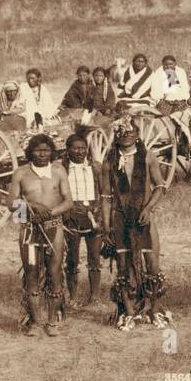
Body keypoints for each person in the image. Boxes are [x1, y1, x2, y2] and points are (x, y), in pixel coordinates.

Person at [99, 116, 170, 330]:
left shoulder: (147, 156)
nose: (127, 135)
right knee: (123, 266)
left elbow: (160, 186)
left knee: (152, 263)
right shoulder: (109, 161)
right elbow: (105, 197)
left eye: (131, 131)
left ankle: (155, 310)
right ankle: (129, 313)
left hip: (143, 216)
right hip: (120, 218)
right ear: (116, 135)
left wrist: (148, 209)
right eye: (122, 131)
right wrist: (106, 226)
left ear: (137, 135)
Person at [9, 133, 72, 337]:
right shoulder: (20, 173)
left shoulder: (59, 171)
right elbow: (12, 204)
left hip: (54, 226)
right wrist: (31, 209)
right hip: (29, 229)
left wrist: (49, 213)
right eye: (38, 150)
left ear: (52, 151)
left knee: (55, 273)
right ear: (30, 151)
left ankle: (52, 321)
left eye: (46, 150)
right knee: (32, 274)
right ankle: (36, 322)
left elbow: (68, 201)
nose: (42, 154)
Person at [62, 131, 102, 307]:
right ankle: (72, 297)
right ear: (68, 150)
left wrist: (99, 212)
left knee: (94, 258)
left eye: (83, 148)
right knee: (72, 258)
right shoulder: (62, 169)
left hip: (93, 214)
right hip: (72, 215)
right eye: (76, 148)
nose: (80, 152)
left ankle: (94, 297)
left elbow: (104, 191)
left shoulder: (95, 167)